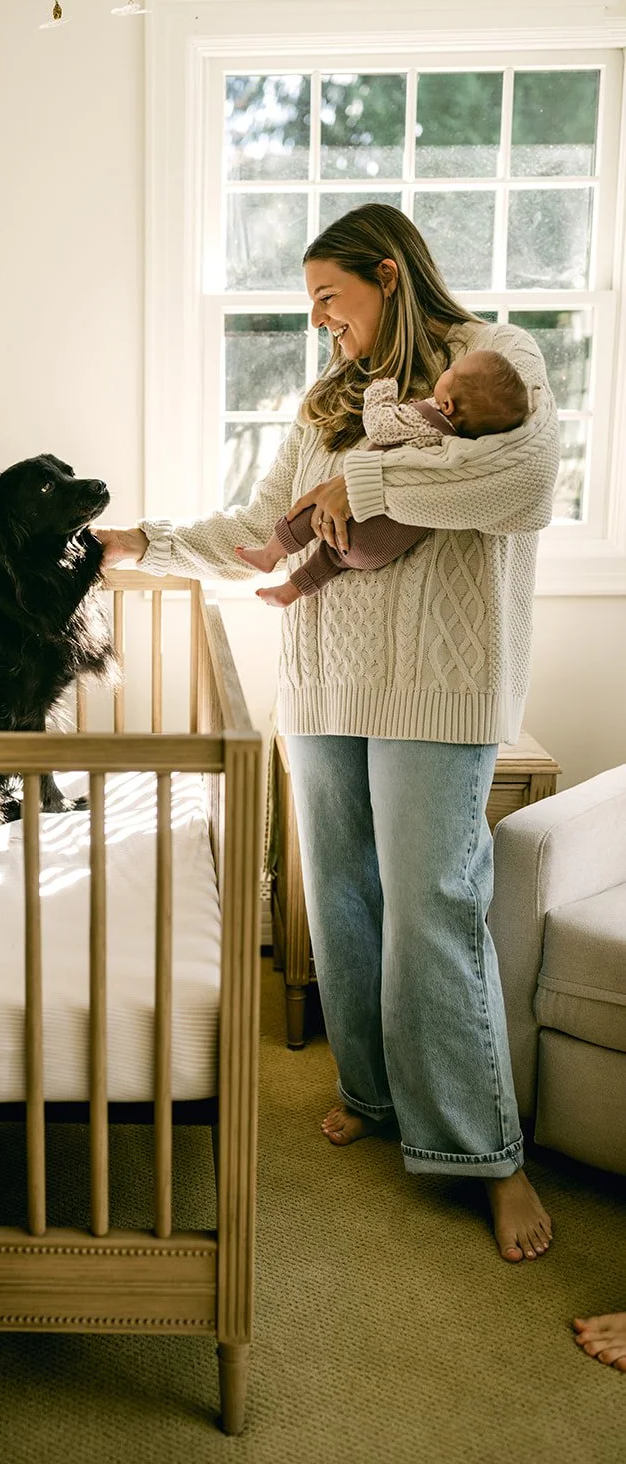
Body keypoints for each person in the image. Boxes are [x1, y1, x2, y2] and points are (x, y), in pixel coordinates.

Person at [95, 203, 560, 1263]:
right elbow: (265, 534)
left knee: (432, 906)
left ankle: (486, 1152)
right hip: (322, 685)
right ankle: (376, 1091)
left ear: (386, 276)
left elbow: (522, 484)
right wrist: (144, 540)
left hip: (437, 691)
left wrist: (356, 480)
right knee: (340, 900)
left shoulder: (494, 356)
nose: (320, 325)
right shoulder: (325, 402)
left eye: (328, 301)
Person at [237, 349, 531, 607]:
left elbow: (380, 426)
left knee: (314, 512)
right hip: (381, 547)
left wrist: (381, 390)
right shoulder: (460, 451)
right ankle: (290, 590)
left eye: (451, 371)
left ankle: (269, 553)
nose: (446, 369)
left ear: (448, 405)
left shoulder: (425, 419)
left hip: (359, 522)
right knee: (331, 558)